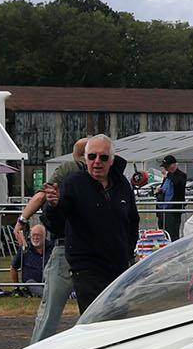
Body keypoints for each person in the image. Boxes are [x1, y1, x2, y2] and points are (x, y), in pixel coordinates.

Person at [44, 134, 138, 315]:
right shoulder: (73, 184)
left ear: (111, 160)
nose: (97, 162)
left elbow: (132, 221)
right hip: (87, 268)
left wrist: (128, 251)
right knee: (95, 318)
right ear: (85, 159)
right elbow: (55, 225)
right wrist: (54, 206)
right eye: (92, 156)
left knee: (120, 317)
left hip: (118, 266)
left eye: (103, 157)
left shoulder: (122, 184)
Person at [23, 138, 87, 343]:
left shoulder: (67, 168)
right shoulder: (76, 170)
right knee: (94, 310)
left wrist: (22, 219)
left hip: (67, 246)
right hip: (86, 248)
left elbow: (41, 196)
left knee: (50, 310)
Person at [158, 154, 189, 239]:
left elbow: (177, 183)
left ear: (174, 165)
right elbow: (164, 188)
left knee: (172, 234)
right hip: (162, 209)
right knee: (162, 234)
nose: (165, 169)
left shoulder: (181, 175)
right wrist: (159, 191)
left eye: (167, 166)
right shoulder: (167, 178)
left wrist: (168, 175)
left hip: (173, 210)